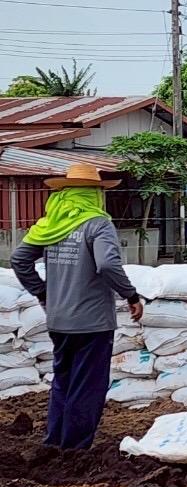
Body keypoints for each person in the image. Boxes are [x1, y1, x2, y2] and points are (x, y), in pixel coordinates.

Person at [10, 164, 142, 450]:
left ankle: (54, 441)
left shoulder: (50, 225)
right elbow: (107, 264)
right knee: (88, 386)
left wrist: (44, 292)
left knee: (64, 381)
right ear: (94, 194)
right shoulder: (98, 224)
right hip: (92, 321)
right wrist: (130, 295)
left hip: (58, 319)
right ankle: (74, 449)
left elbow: (19, 260)